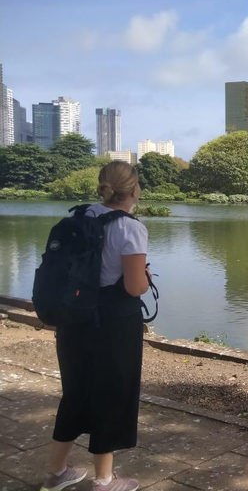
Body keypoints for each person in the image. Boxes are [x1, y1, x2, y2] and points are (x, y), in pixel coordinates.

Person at [41, 161, 150, 491]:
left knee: (75, 392)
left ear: (103, 187)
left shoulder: (80, 216)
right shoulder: (130, 228)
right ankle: (104, 480)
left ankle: (58, 473)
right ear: (134, 191)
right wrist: (145, 280)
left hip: (74, 318)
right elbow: (133, 288)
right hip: (114, 323)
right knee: (112, 394)